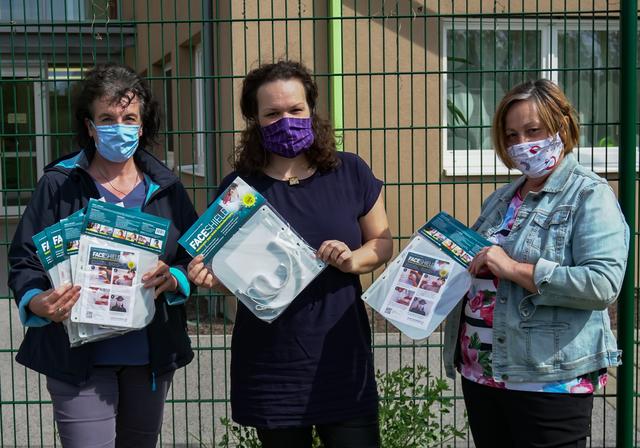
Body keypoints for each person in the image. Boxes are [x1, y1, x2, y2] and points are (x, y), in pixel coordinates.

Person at [187, 60, 393, 447]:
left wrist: (353, 260)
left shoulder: (350, 171)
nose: (286, 120)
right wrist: (213, 280)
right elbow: (230, 276)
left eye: (296, 110)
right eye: (272, 113)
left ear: (312, 110)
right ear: (255, 119)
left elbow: (382, 243)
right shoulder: (238, 191)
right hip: (272, 362)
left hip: (341, 352)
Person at [8, 62, 198, 448]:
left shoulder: (166, 189)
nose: (119, 126)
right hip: (77, 359)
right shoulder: (59, 185)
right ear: (90, 126)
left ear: (142, 126)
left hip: (149, 356)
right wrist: (36, 301)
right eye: (107, 118)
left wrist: (176, 278)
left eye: (129, 117)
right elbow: (25, 259)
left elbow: (193, 256)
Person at [443, 79, 629, 448]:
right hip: (484, 374)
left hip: (548, 379)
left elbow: (602, 284)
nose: (521, 144)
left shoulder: (590, 194)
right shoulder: (502, 197)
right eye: (511, 135)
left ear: (561, 127)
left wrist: (511, 268)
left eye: (533, 131)